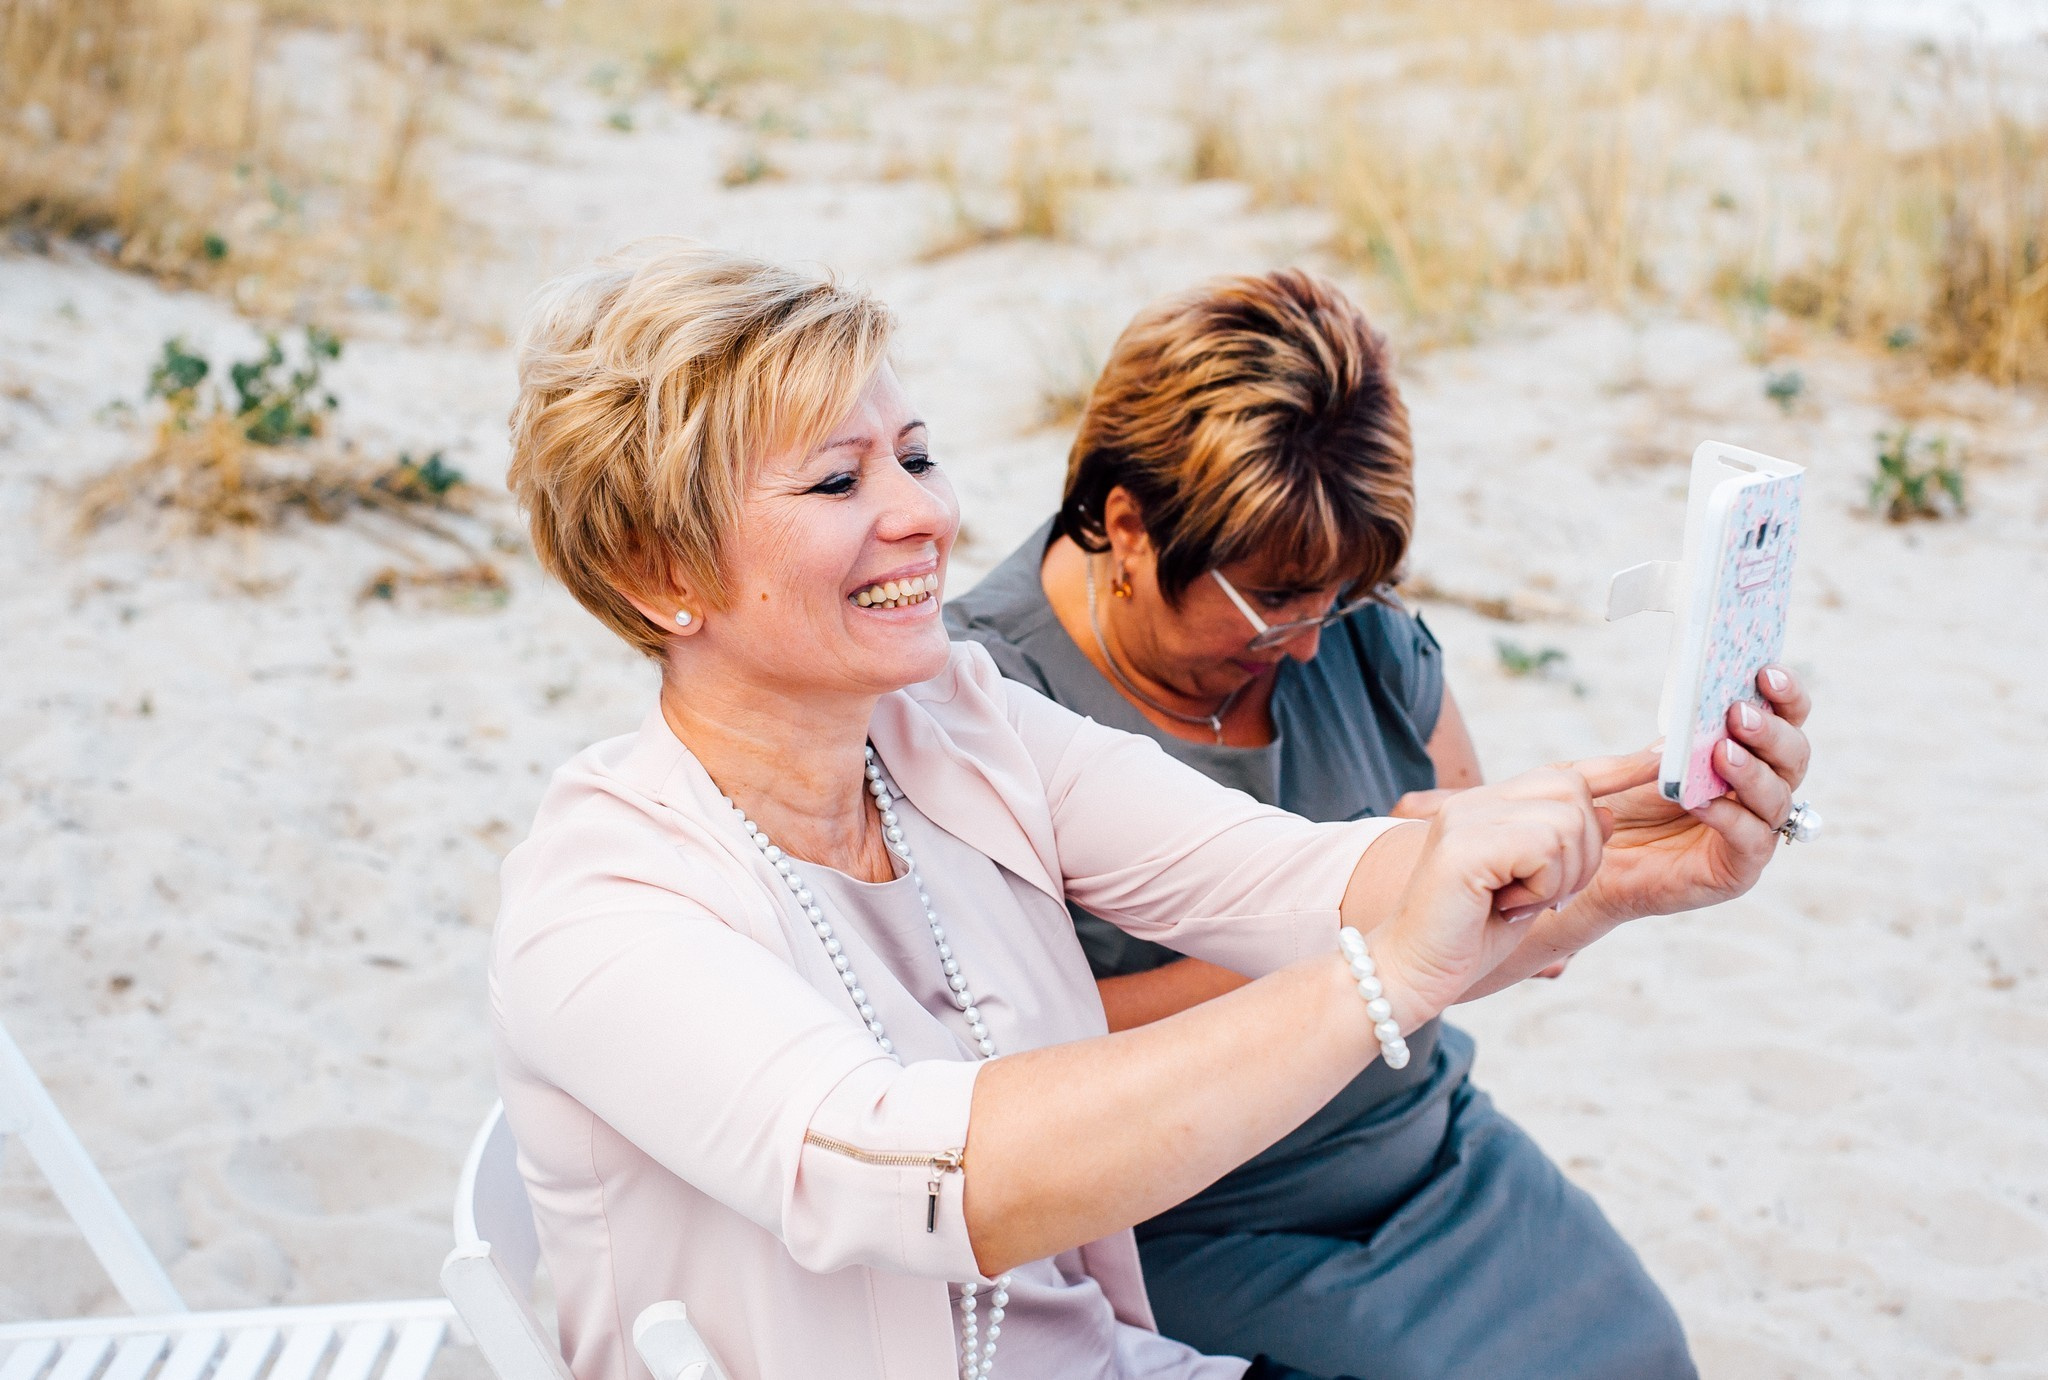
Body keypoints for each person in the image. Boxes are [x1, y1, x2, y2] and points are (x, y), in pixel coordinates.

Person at [493, 241, 1814, 1380]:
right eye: (840, 483)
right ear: (659, 574)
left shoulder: (955, 725)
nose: (927, 513)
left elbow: (1291, 877)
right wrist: (1384, 976)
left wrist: (1619, 853)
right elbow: (917, 1179)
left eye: (916, 456)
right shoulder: (605, 907)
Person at [945, 267, 1815, 1379]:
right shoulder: (979, 703)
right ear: (1128, 526)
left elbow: (1491, 936)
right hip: (1184, 1212)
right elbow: (982, 1071)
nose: (1313, 642)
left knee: (1637, 1352)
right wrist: (1368, 920)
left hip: (1420, 1146)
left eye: (1344, 594)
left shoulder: (1354, 627)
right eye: (1275, 599)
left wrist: (1630, 871)